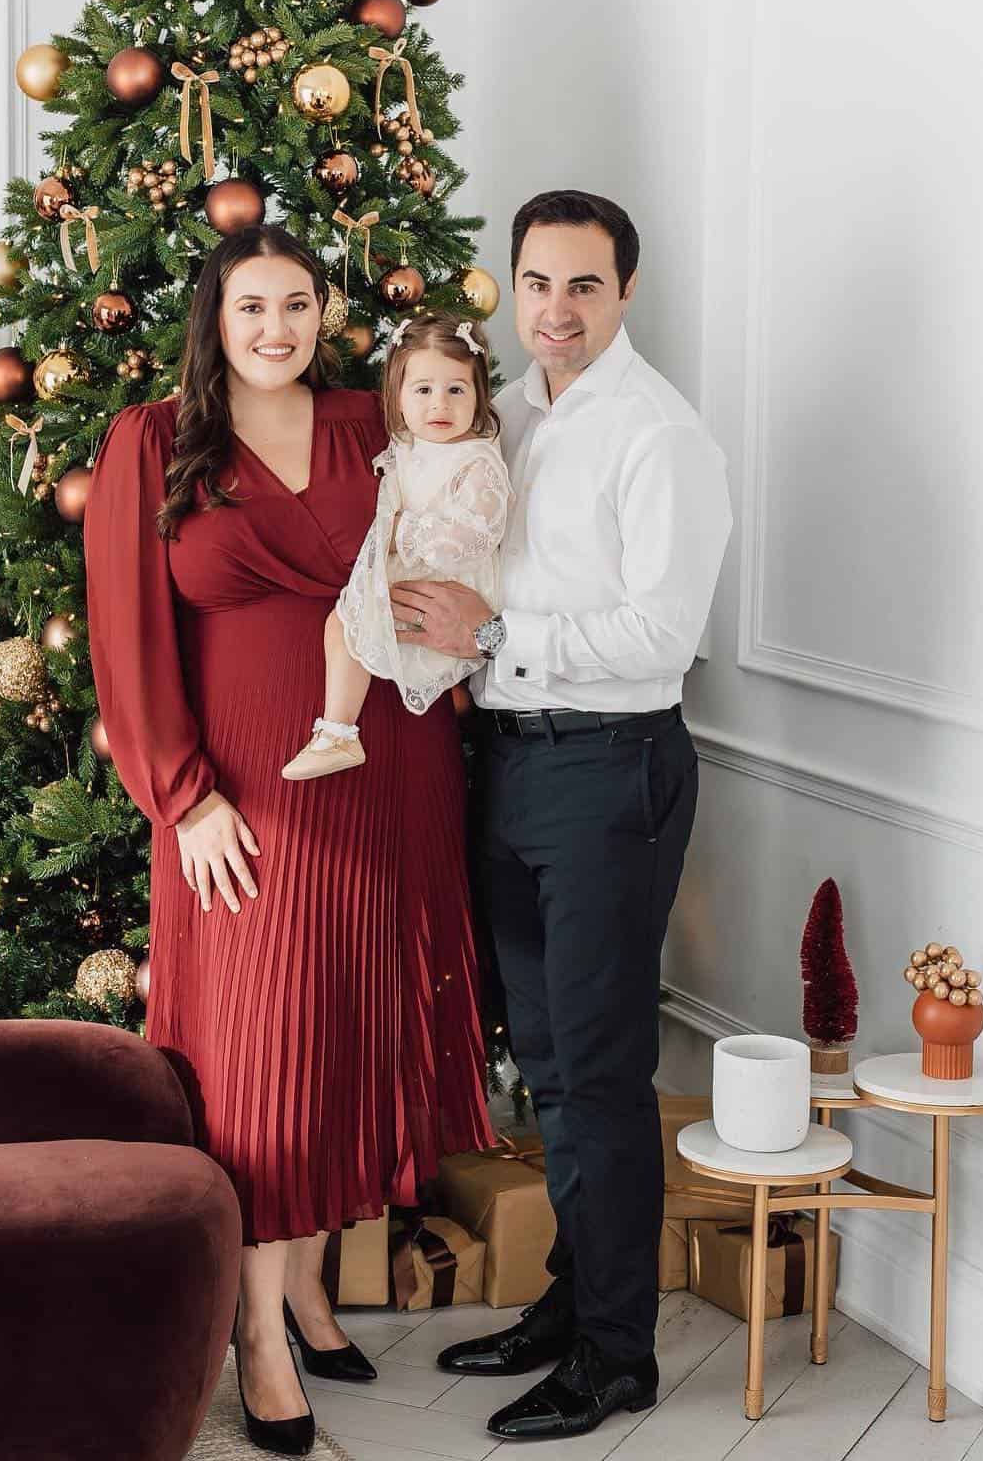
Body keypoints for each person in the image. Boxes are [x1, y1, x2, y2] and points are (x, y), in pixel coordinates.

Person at [84, 226, 493, 1457]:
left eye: (298, 304)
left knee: (344, 1039)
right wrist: (184, 794)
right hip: (243, 800)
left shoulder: (379, 419)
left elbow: (474, 520)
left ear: (326, 314)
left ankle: (309, 1291)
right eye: (251, 305)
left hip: (385, 772)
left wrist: (482, 619)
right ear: (214, 317)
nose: (276, 328)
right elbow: (125, 637)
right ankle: (257, 1335)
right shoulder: (152, 441)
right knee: (260, 1062)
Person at [390, 190, 733, 1443]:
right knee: (545, 1065)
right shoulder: (509, 416)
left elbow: (661, 636)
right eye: (537, 282)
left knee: (598, 1071)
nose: (556, 309)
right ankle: (569, 1297)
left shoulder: (661, 436)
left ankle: (615, 1356)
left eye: (583, 286)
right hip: (511, 765)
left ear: (626, 291)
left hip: (611, 768)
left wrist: (492, 636)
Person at [282, 311, 510, 780]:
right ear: (399, 397)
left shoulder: (477, 459)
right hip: (409, 571)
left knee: (349, 622)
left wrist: (401, 529)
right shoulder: (406, 448)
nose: (439, 405)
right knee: (340, 625)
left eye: (456, 389)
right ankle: (339, 732)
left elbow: (472, 536)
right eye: (423, 390)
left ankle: (339, 730)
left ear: (478, 395)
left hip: (449, 586)